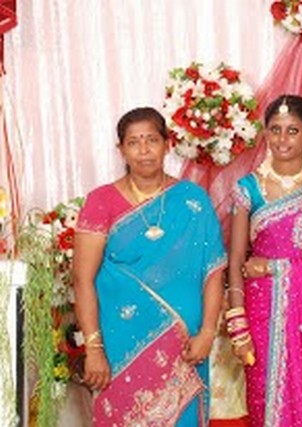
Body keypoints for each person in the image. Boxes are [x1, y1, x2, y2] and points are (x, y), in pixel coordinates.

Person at [73, 107, 226, 426]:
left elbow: (213, 271)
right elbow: (82, 280)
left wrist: (208, 333)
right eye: (134, 142)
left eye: (151, 140)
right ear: (121, 150)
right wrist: (94, 348)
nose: (143, 150)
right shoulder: (101, 201)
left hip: (185, 344)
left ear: (167, 145)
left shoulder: (192, 200)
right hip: (121, 345)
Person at [226, 95, 302, 427]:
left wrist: (274, 268)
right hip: (260, 314)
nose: (282, 139)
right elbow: (236, 261)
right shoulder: (247, 189)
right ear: (265, 133)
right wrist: (238, 325)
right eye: (275, 129)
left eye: (292, 130)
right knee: (264, 399)